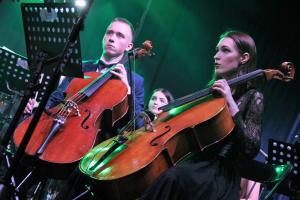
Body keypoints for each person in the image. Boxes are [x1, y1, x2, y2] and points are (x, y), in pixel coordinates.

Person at [21, 17, 145, 199]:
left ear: (129, 46)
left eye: (119, 35)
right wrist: (38, 108)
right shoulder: (82, 66)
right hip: (60, 125)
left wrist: (127, 90)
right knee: (26, 141)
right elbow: (57, 98)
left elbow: (136, 123)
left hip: (89, 144)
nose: (112, 38)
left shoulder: (135, 80)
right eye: (109, 33)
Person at [140, 30, 264, 200]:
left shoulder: (253, 96)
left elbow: (251, 148)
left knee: (173, 177)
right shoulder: (211, 92)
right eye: (217, 50)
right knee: (161, 175)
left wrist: (230, 102)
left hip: (219, 175)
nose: (216, 56)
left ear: (244, 58)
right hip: (197, 164)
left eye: (225, 50)